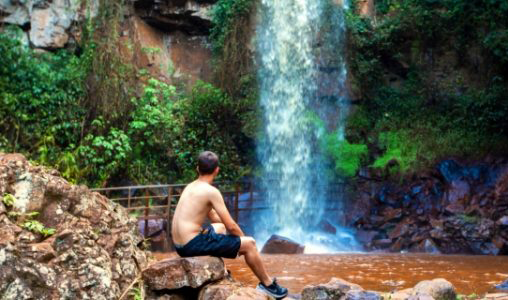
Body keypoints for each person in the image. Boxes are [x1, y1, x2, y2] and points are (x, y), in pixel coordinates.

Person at [171, 151, 288, 299]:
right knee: (250, 244)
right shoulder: (211, 191)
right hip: (191, 245)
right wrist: (242, 243)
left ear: (197, 168)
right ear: (217, 170)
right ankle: (268, 285)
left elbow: (215, 218)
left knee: (219, 227)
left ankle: (221, 268)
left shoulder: (191, 186)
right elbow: (231, 226)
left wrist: (232, 241)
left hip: (180, 245)